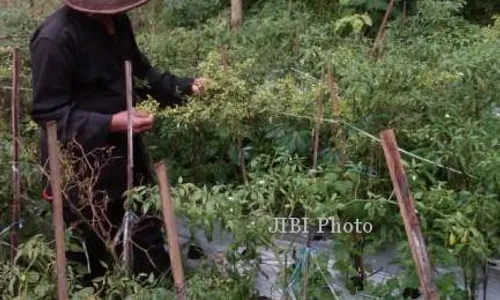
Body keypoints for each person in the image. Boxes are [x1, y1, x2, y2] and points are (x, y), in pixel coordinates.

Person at [29, 0, 203, 284]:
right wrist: (112, 122)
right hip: (80, 171)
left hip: (125, 160)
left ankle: (153, 286)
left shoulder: (118, 23)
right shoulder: (55, 38)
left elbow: (141, 75)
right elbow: (49, 113)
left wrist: (184, 87)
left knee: (148, 252)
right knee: (90, 264)